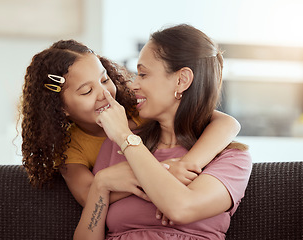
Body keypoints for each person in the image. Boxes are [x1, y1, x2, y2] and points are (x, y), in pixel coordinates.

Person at [19, 39, 240, 219]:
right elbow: (90, 196)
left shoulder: (140, 109)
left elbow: (228, 123)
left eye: (104, 80)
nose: (104, 94)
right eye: (87, 91)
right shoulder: (70, 146)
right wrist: (161, 173)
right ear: (61, 107)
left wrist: (186, 164)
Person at [73, 24, 252, 240]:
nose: (133, 85)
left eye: (143, 74)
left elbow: (181, 208)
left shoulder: (230, 158)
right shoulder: (114, 146)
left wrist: (124, 136)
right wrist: (101, 183)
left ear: (181, 80)